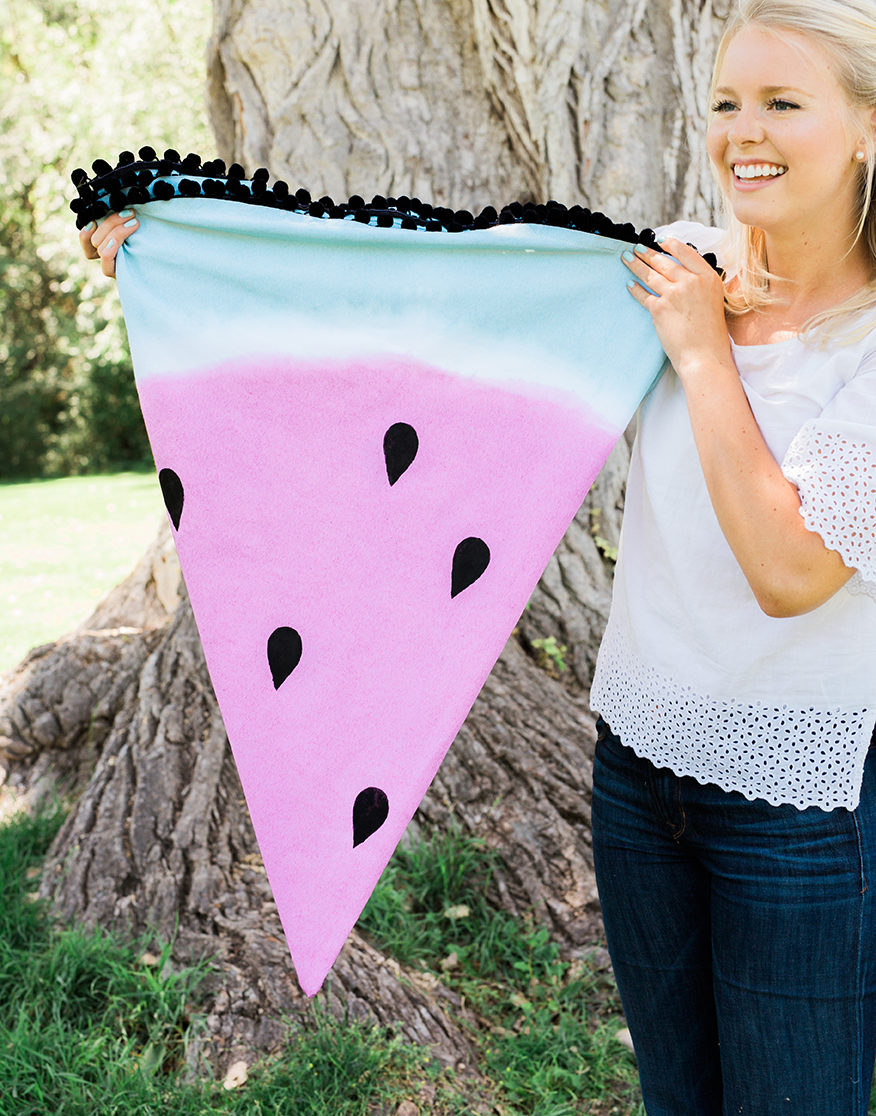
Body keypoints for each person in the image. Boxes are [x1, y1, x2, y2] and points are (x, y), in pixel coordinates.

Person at [82, 1, 876, 1109]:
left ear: (866, 131)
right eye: (728, 102)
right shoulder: (676, 265)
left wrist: (703, 360)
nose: (745, 131)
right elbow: (437, 281)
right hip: (638, 775)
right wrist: (190, 244)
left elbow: (792, 575)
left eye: (785, 103)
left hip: (799, 813)